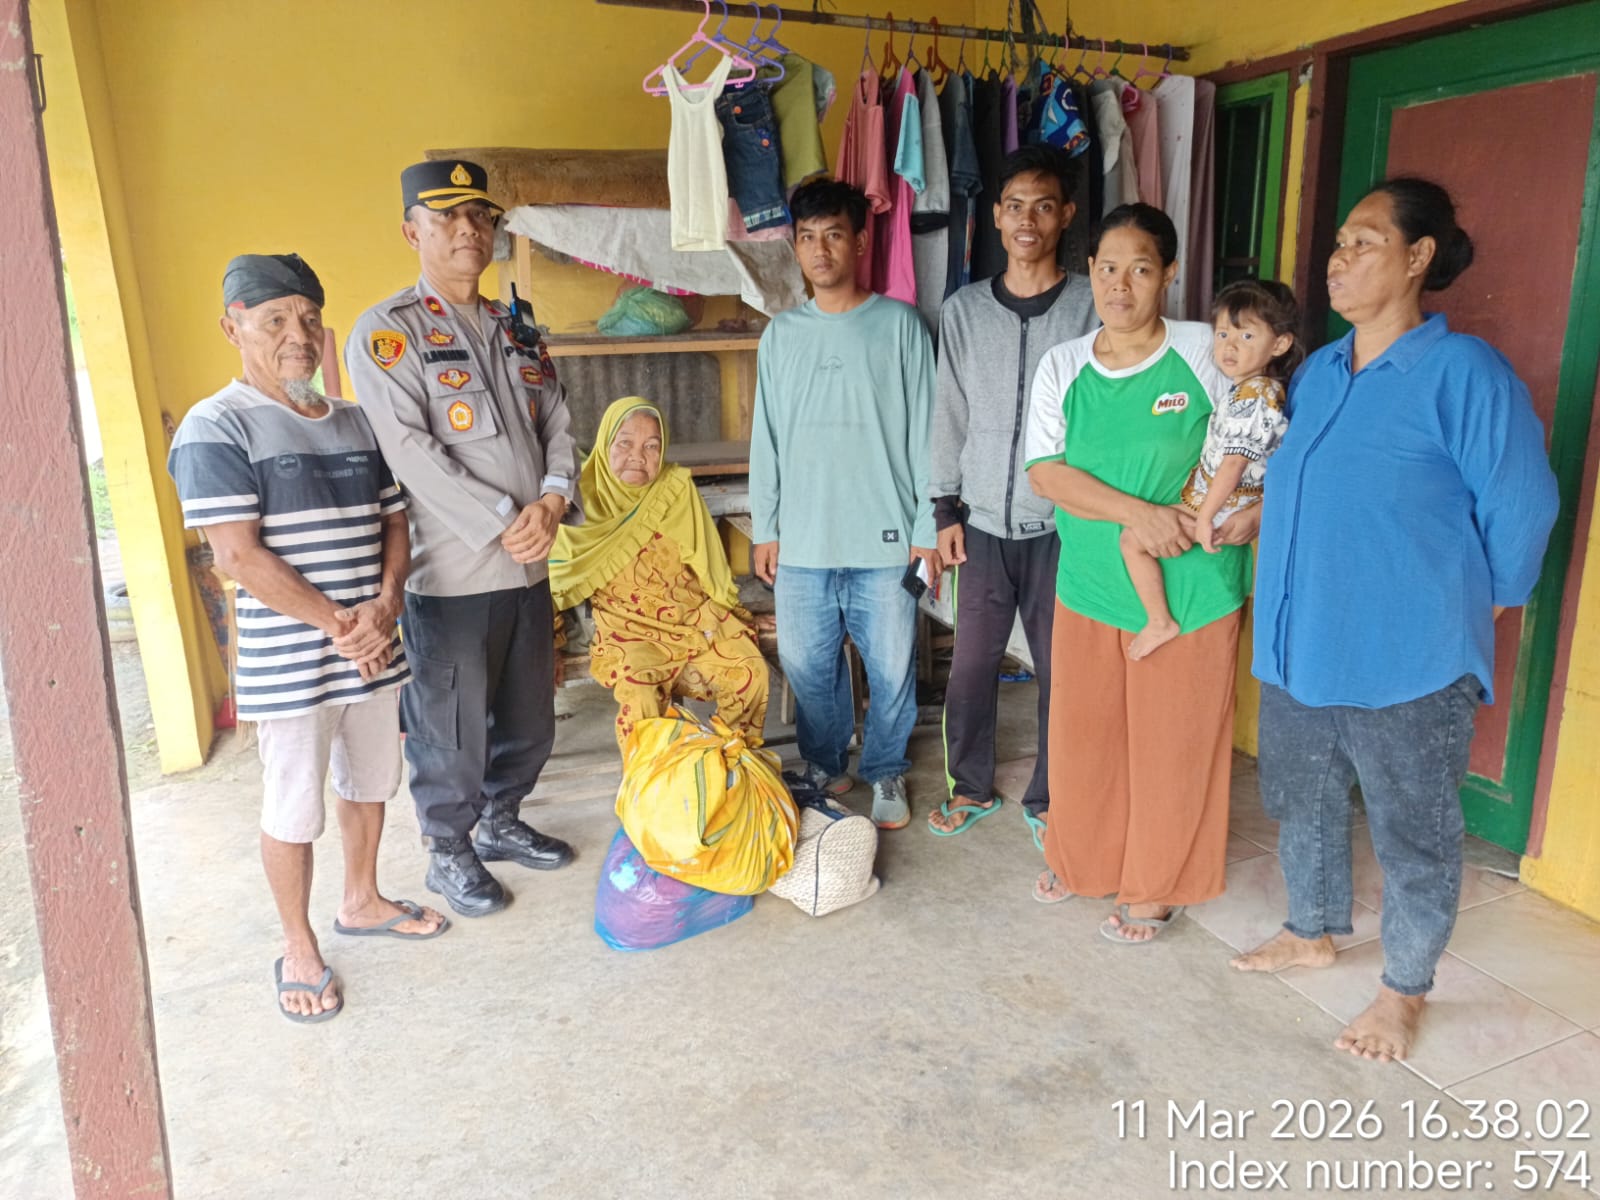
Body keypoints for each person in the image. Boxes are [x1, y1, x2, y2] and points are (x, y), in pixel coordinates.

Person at [1230, 178, 1559, 1062]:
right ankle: (1311, 929)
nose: (1339, 259)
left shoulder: (1464, 373)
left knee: (1414, 831)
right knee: (1300, 798)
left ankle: (1404, 989)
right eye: (1339, 242)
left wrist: (1484, 600)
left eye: (1364, 242)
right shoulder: (1321, 371)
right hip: (1300, 643)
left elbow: (1524, 504)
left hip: (1409, 657)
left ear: (1418, 257)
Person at [168, 254, 447, 1024]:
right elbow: (237, 555)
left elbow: (395, 520)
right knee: (293, 806)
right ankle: (297, 945)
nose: (299, 335)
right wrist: (340, 625)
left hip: (372, 649)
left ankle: (361, 900)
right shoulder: (214, 426)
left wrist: (386, 604)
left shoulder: (355, 420)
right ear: (233, 329)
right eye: (275, 320)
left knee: (370, 783)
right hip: (294, 663)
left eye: (309, 318)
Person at [346, 160, 581, 918]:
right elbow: (409, 450)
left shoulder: (516, 326)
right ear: (411, 232)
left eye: (479, 216)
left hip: (529, 565)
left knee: (529, 713)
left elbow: (558, 419)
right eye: (445, 217)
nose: (466, 230)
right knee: (450, 725)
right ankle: (448, 848)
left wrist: (553, 498)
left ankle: (502, 819)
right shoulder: (388, 333)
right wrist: (504, 519)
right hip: (453, 574)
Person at [1024, 203, 1259, 941]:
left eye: (1140, 268)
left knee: (1173, 745)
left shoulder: (1204, 352)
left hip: (1193, 586)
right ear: (1088, 271)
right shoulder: (1063, 364)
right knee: (1084, 738)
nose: (1120, 285)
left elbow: (1255, 442)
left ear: (1170, 274)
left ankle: (1158, 883)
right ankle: (1083, 859)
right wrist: (1139, 514)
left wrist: (1250, 510)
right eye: (1107, 268)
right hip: (1093, 583)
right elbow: (1046, 473)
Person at [749, 178, 938, 830]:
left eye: (834, 234)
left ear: (859, 242)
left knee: (893, 668)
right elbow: (767, 439)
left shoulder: (900, 326)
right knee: (807, 667)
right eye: (807, 237)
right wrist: (766, 526)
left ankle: (885, 769)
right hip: (803, 540)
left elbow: (928, 435)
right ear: (796, 248)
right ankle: (826, 765)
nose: (820, 249)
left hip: (886, 538)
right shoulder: (781, 335)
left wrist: (926, 529)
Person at [927, 146, 1096, 844]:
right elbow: (949, 414)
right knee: (970, 666)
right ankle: (970, 787)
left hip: (1065, 525)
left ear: (1067, 215)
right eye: (1016, 205)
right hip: (982, 525)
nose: (1029, 220)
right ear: (996, 215)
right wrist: (944, 508)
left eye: (1044, 206)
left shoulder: (1092, 306)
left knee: (1064, 668)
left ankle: (1052, 795)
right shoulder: (964, 310)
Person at [549, 397, 769, 751]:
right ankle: (652, 780)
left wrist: (737, 614)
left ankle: (729, 766)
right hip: (629, 633)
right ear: (605, 445)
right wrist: (549, 644)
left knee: (750, 671)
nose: (638, 456)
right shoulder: (580, 503)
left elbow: (710, 565)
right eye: (625, 443)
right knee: (640, 699)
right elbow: (554, 579)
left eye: (651, 446)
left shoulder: (674, 488)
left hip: (694, 620)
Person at [1121, 279, 1302, 661]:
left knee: (1132, 539)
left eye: (1247, 335)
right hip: (1222, 499)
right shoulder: (1246, 388)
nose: (1230, 346)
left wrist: (1205, 518)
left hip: (1226, 504)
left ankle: (1160, 621)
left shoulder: (1258, 395)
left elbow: (1234, 463)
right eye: (1222, 334)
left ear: (1280, 344)